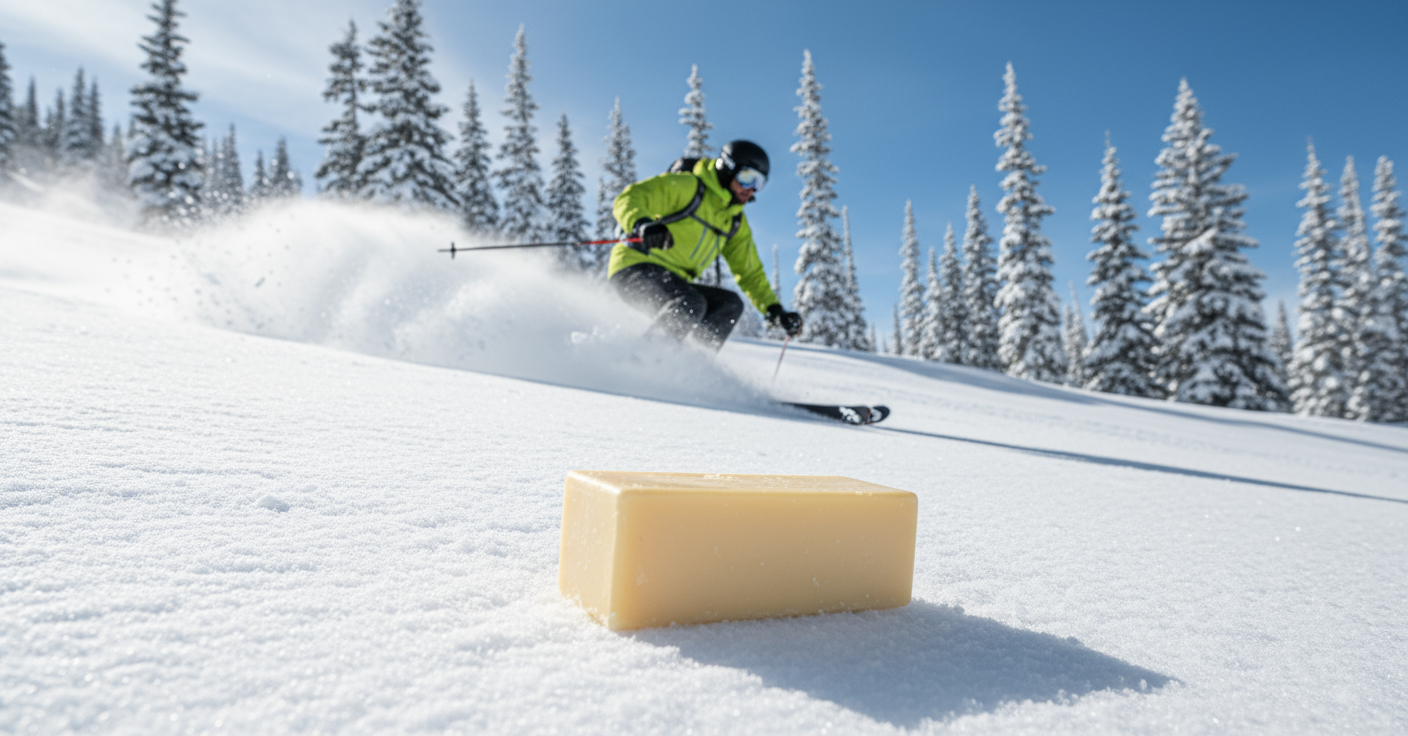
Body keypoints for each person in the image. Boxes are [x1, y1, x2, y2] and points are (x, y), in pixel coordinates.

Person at [607, 140, 803, 350]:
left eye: (759, 183)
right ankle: (644, 359)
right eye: (747, 178)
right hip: (635, 267)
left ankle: (692, 367)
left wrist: (774, 309)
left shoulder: (734, 221)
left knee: (729, 305)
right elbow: (630, 198)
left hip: (676, 282)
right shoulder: (688, 187)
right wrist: (642, 224)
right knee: (691, 303)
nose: (752, 190)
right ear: (728, 168)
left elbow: (750, 272)